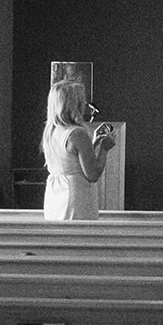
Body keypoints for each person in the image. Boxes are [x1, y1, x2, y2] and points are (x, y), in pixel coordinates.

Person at [41, 78, 115, 221]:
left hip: (56, 195)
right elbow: (92, 174)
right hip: (75, 196)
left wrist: (92, 143)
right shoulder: (77, 133)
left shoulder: (51, 131)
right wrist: (104, 150)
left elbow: (71, 162)